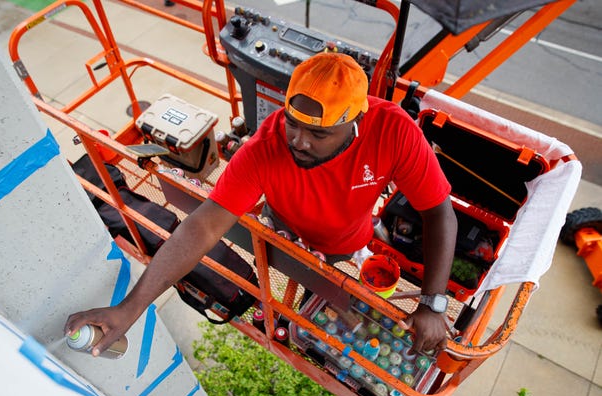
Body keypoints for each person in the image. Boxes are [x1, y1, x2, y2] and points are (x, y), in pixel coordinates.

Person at [65, 52, 457, 356]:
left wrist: (433, 303)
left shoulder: (393, 130)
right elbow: (201, 227)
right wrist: (130, 308)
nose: (299, 142)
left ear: (354, 121)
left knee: (336, 303)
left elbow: (439, 212)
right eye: (293, 123)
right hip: (281, 231)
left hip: (348, 244)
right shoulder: (265, 147)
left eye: (318, 134)